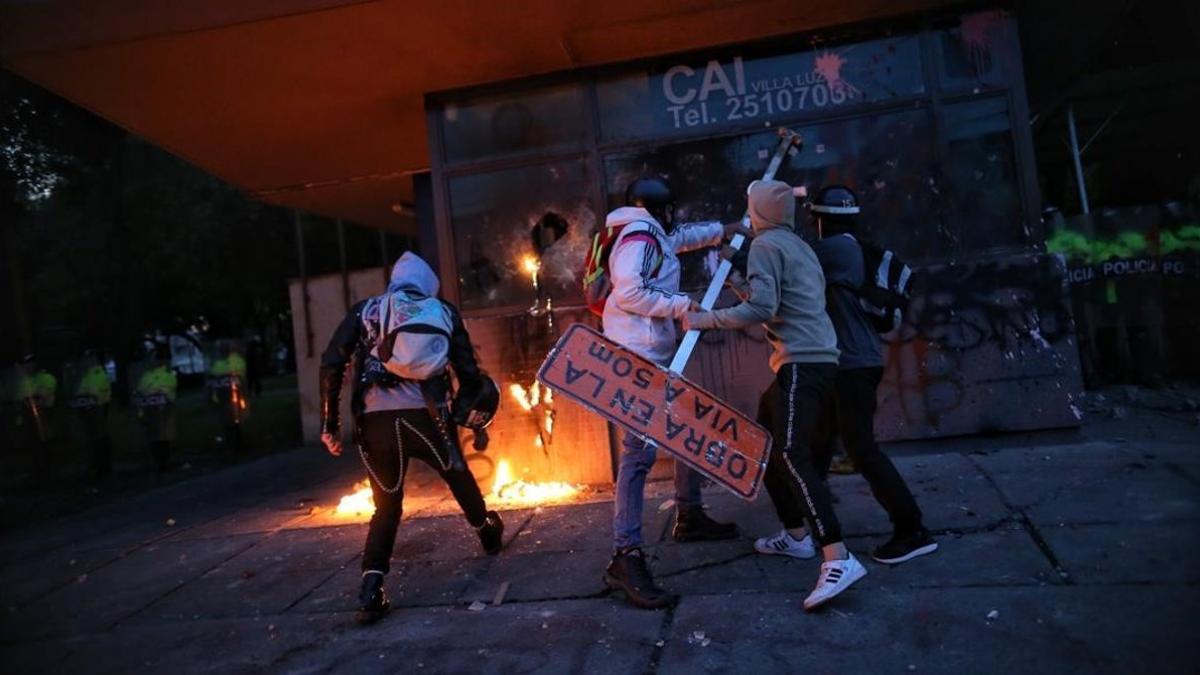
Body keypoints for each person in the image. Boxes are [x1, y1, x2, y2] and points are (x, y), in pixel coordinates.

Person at [684, 179, 866, 611]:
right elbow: (773, 300)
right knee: (764, 443)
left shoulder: (767, 246)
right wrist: (736, 279)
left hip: (802, 360)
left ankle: (837, 556)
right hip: (811, 359)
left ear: (758, 210)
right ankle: (796, 536)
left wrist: (703, 320)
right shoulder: (796, 244)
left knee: (792, 454)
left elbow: (763, 310)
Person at [319, 251, 503, 625]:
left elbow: (331, 362)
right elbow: (467, 371)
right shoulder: (442, 310)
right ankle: (487, 530)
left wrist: (330, 423)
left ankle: (372, 587)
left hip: (375, 424)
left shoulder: (366, 309)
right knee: (456, 473)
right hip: (427, 416)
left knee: (386, 505)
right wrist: (472, 416)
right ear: (428, 285)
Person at [764, 184, 935, 565]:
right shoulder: (847, 248)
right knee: (815, 448)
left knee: (860, 448)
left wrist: (749, 246)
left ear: (817, 218)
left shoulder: (835, 250)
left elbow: (786, 263)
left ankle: (912, 528)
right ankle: (804, 530)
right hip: (842, 364)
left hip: (851, 365)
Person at [600, 175, 743, 609]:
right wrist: (681, 305)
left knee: (682, 425)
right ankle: (625, 556)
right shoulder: (638, 238)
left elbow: (680, 238)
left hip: (653, 353)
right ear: (660, 207)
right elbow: (630, 292)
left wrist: (726, 230)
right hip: (636, 358)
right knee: (638, 454)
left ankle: (689, 512)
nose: (673, 220)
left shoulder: (649, 232)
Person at [69, 349, 114, 477]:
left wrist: (87, 396)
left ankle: (104, 465)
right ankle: (97, 464)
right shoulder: (87, 375)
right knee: (93, 437)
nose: (86, 361)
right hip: (88, 410)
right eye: (85, 358)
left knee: (100, 436)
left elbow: (98, 393)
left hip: (98, 408)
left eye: (88, 358)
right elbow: (80, 392)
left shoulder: (99, 374)